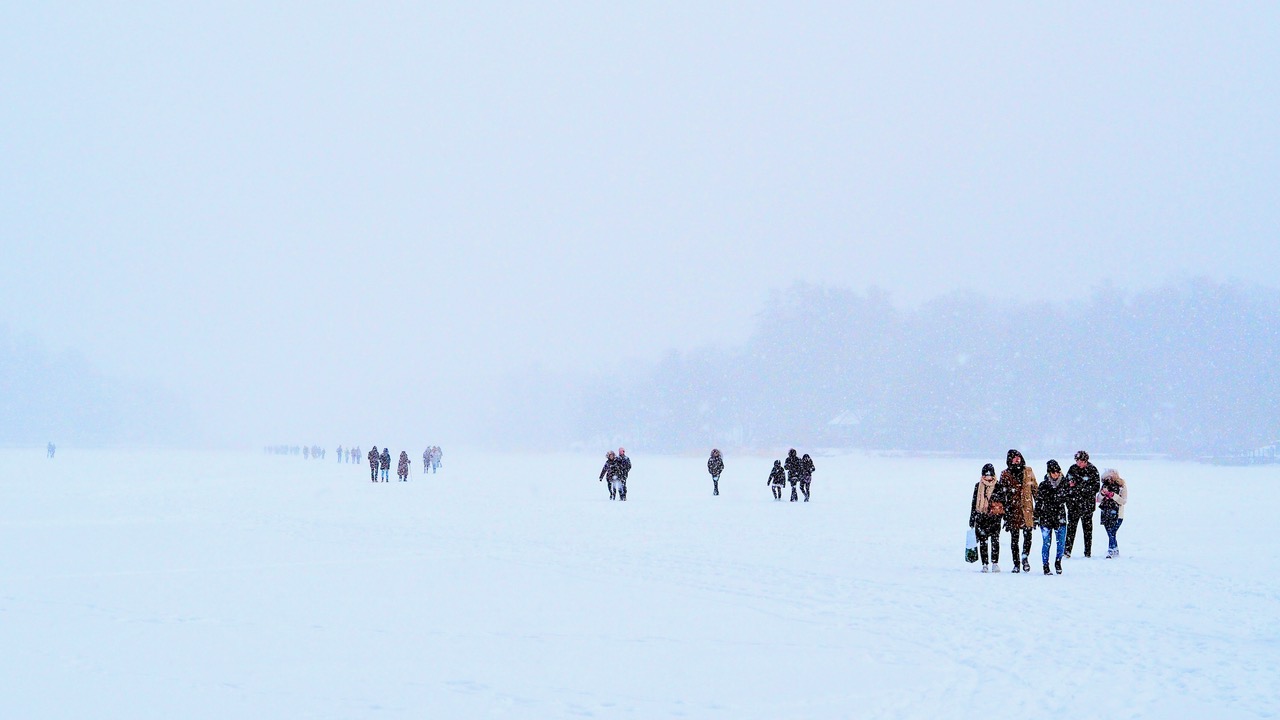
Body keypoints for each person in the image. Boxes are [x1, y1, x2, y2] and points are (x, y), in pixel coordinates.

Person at [996, 449, 1037, 573]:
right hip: (1012, 510)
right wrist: (1003, 510)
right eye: (1014, 457)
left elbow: (1035, 488)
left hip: (1027, 510)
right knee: (1014, 539)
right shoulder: (1005, 474)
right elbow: (1001, 494)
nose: (1017, 459)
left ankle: (1025, 558)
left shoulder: (1028, 471)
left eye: (1018, 456)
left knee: (1028, 536)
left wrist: (1040, 505)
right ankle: (1016, 563)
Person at [1064, 450, 1100, 558]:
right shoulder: (1072, 469)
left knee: (1087, 530)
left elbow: (1096, 487)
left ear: (1085, 461)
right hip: (1073, 505)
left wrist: (1081, 487)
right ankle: (1067, 551)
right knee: (1071, 529)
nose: (1078, 463)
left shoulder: (1092, 470)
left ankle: (1087, 552)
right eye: (1077, 461)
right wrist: (1070, 486)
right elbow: (1066, 483)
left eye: (1080, 461)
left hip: (1087, 506)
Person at [1036, 460, 1070, 575]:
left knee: (1061, 543)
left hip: (1060, 517)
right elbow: (1039, 502)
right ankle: (1045, 565)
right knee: (1046, 543)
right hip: (1046, 517)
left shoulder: (1065, 483)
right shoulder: (1043, 485)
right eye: (1053, 472)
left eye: (1057, 471)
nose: (1055, 474)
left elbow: (1069, 499)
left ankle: (1058, 561)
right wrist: (1036, 517)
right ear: (1049, 473)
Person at [969, 463, 1003, 572]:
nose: (988, 477)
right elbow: (974, 503)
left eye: (989, 475)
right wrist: (972, 517)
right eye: (985, 475)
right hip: (981, 517)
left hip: (994, 518)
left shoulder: (998, 486)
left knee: (995, 541)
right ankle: (984, 564)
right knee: (983, 541)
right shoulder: (978, 486)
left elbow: (1003, 502)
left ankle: (995, 563)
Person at [1097, 469, 1129, 558]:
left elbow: (1123, 501)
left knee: (1112, 532)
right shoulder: (1104, 486)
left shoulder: (1121, 486)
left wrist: (1113, 495)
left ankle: (1111, 550)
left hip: (1117, 514)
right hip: (1105, 512)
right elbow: (1098, 499)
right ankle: (1115, 549)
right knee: (1110, 533)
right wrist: (1103, 494)